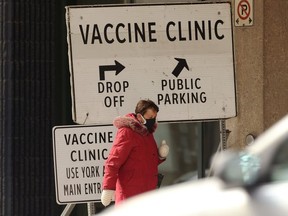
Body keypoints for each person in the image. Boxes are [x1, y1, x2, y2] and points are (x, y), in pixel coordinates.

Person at [101, 99, 169, 206]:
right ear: (139, 117)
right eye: (150, 117)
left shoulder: (147, 133)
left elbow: (144, 162)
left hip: (147, 194)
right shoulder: (127, 132)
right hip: (130, 196)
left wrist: (160, 155)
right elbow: (113, 162)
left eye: (154, 117)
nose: (153, 120)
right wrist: (108, 188)